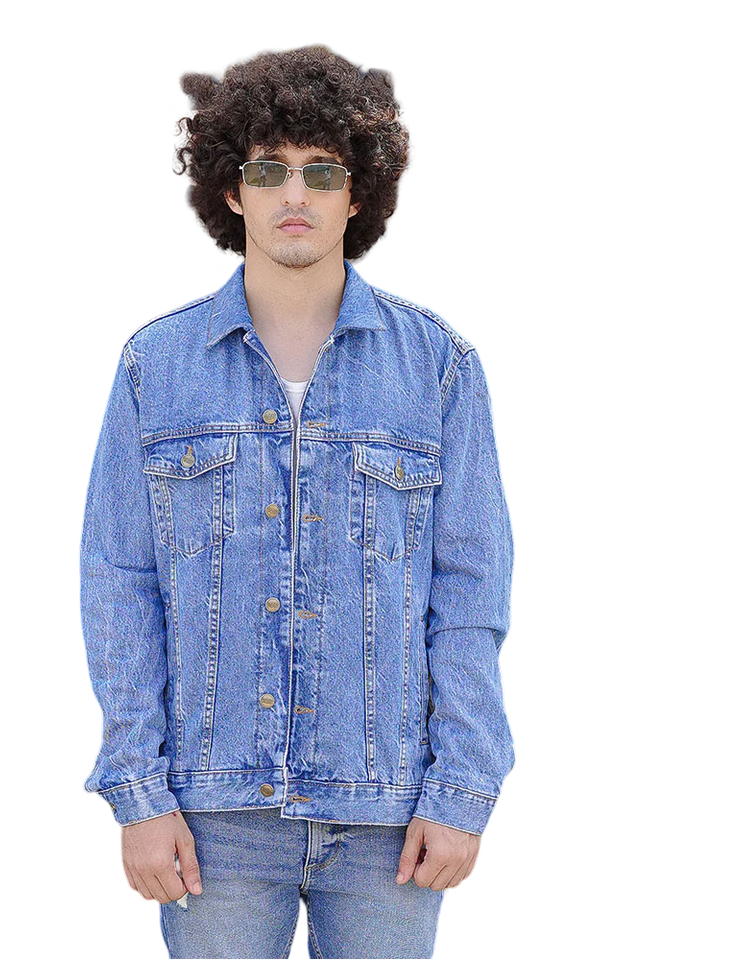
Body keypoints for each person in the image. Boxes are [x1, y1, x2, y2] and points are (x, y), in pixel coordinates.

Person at [77, 42, 517, 959]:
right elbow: (118, 586)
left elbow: (473, 594)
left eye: (323, 172)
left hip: (391, 816)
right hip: (210, 819)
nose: (294, 194)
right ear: (229, 190)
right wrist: (137, 794)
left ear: (360, 195)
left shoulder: (440, 365)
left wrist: (465, 790)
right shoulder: (153, 364)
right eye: (267, 169)